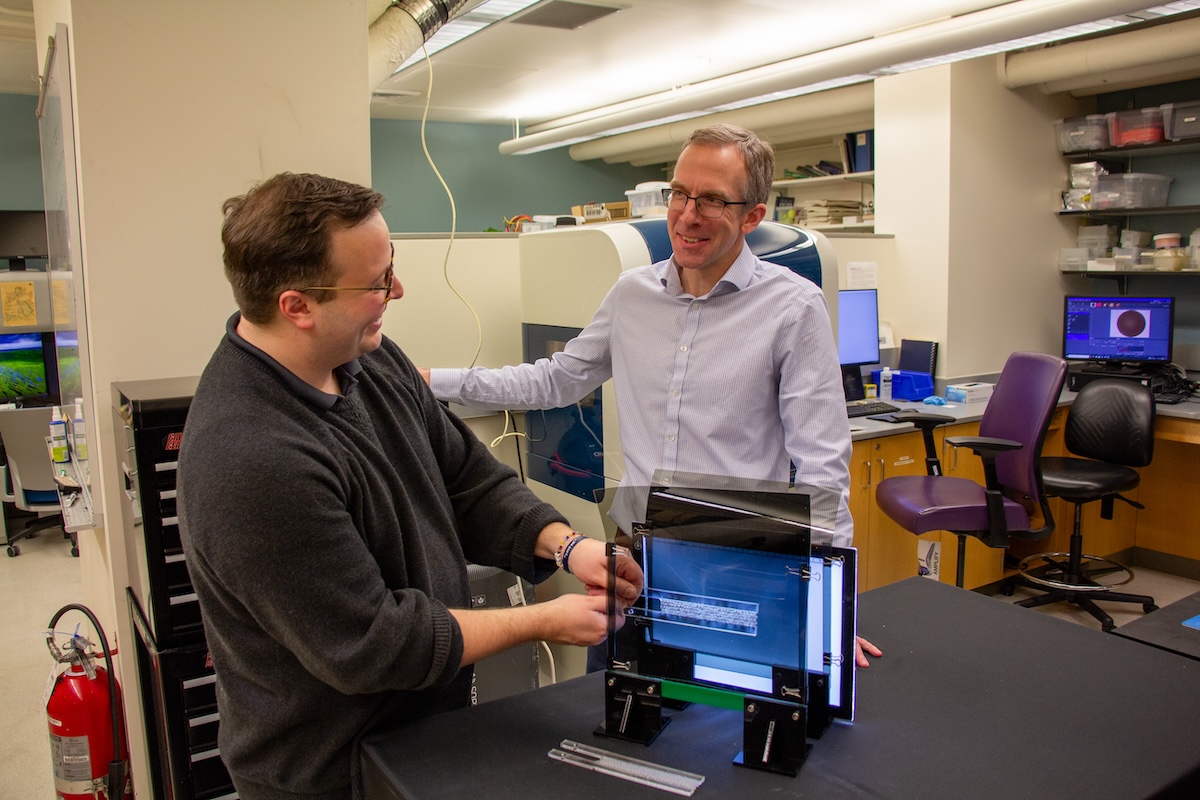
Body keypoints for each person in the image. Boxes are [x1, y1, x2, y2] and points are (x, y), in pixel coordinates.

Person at [177, 172, 642, 800]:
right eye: (375, 283)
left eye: (390, 267)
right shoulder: (252, 457)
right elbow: (376, 642)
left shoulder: (370, 359)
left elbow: (467, 480)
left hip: (424, 733)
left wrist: (564, 547)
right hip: (332, 769)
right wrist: (543, 620)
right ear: (297, 306)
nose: (397, 289)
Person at [422, 123, 880, 667]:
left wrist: (829, 608)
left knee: (725, 724)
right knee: (618, 706)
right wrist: (430, 381)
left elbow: (822, 467)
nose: (687, 215)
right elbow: (556, 379)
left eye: (711, 199)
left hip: (740, 560)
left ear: (753, 216)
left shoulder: (794, 308)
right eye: (679, 194)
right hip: (638, 555)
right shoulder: (631, 294)